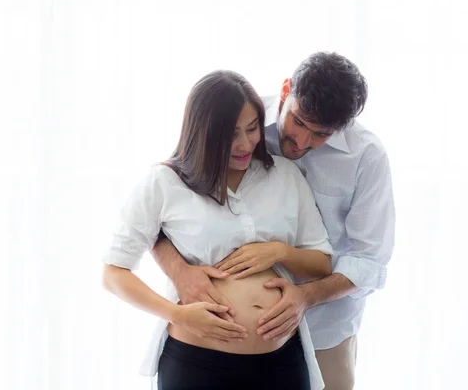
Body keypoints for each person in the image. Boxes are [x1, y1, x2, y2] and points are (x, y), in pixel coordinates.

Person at [152, 52, 395, 390]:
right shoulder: (241, 118)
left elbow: (369, 261)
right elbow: (161, 208)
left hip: (325, 329)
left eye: (321, 134)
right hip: (209, 339)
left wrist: (306, 296)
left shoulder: (366, 157)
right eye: (298, 122)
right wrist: (179, 273)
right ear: (285, 91)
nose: (302, 142)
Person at [102, 70, 336, 389]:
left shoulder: (285, 176)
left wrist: (280, 252)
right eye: (230, 134)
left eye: (252, 128)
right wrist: (177, 314)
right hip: (196, 361)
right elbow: (114, 272)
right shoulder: (165, 183)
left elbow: (321, 263)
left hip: (281, 362)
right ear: (203, 133)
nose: (244, 144)